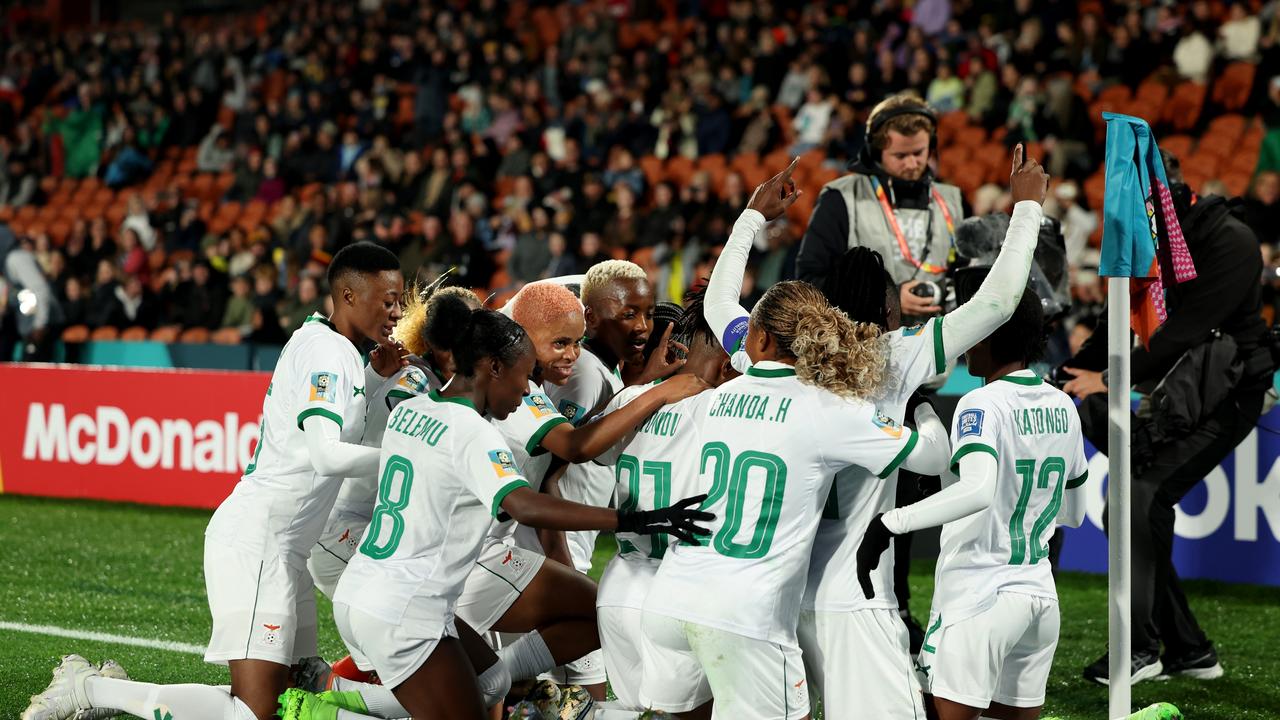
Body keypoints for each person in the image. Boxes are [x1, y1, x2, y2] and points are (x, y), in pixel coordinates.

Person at [704, 149, 1049, 718]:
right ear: (890, 310)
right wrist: (1027, 209)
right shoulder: (897, 354)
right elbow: (998, 302)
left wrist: (751, 216)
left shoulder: (767, 355)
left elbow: (720, 303)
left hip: (769, 596)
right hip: (855, 599)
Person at [22, 243, 407, 720]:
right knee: (253, 712)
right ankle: (88, 688)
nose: (397, 311)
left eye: (400, 299)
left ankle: (93, 687)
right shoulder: (327, 354)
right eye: (387, 300)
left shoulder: (336, 348)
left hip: (287, 549)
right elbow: (326, 455)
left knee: (292, 696)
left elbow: (336, 424)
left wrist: (372, 377)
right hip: (259, 544)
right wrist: (410, 455)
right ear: (348, 295)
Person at [282, 296, 712, 720]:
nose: (527, 390)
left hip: (370, 587)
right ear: (493, 367)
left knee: (492, 682)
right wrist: (631, 519)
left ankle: (333, 695)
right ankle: (325, 715)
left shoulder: (411, 410)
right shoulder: (474, 432)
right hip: (407, 605)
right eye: (525, 377)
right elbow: (524, 505)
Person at [1060, 152, 1273, 685]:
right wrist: (1069, 372)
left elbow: (1185, 331)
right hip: (1177, 394)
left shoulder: (1231, 241)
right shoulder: (1146, 234)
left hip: (1228, 396)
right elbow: (1123, 314)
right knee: (1137, 509)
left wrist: (1110, 380)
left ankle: (1139, 648)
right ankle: (1188, 649)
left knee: (1138, 501)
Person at [450, 280, 702, 701]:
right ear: (521, 338)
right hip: (474, 556)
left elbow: (560, 458)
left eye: (577, 342)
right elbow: (574, 447)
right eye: (560, 343)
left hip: (474, 551)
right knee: (473, 686)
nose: (572, 355)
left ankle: (508, 687)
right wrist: (657, 393)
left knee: (473, 688)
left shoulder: (501, 389)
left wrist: (642, 385)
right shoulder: (517, 393)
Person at [857, 287, 1089, 720]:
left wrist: (892, 522)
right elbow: (1072, 513)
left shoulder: (979, 403)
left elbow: (979, 490)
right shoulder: (1063, 405)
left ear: (990, 335)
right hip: (1039, 596)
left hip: (978, 597)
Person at [537, 260, 685, 695]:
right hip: (557, 554)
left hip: (562, 555)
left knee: (539, 692)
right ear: (590, 317)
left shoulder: (605, 373)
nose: (642, 326)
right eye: (627, 314)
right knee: (584, 693)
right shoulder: (583, 373)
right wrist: (562, 564)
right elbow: (551, 471)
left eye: (646, 312)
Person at [591, 290, 737, 712]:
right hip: (677, 590)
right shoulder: (723, 408)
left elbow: (593, 450)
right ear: (728, 364)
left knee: (629, 710)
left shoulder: (630, 398)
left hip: (618, 586)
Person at [795, 92, 965, 323]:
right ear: (875, 152)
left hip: (938, 345)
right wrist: (884, 299)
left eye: (919, 153)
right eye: (900, 155)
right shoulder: (841, 198)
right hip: (865, 348)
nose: (912, 164)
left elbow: (963, 276)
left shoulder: (952, 200)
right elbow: (810, 280)